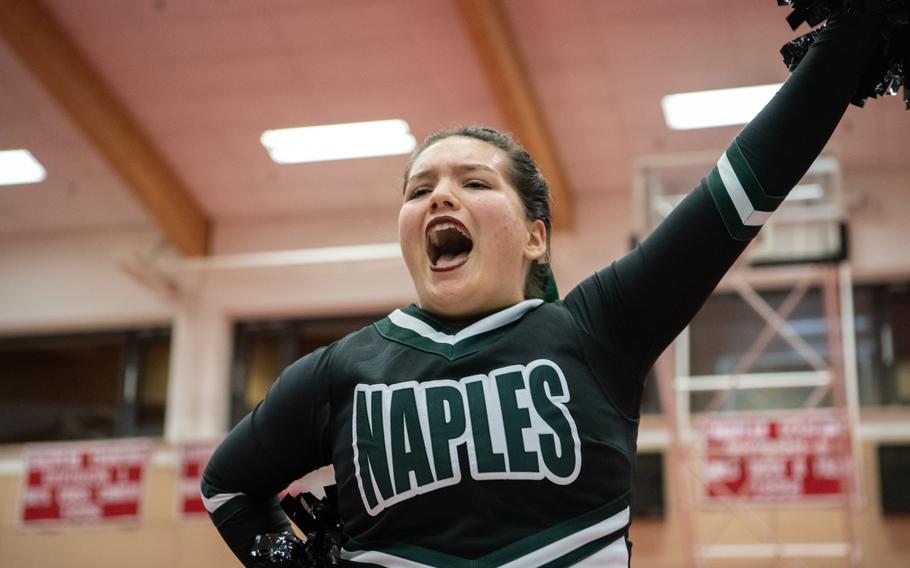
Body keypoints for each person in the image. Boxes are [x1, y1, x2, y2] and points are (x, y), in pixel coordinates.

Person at [202, 11, 886, 567]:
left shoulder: (595, 331)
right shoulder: (339, 371)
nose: (441, 197)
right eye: (420, 189)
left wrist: (852, 37)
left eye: (474, 182)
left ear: (536, 235)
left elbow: (734, 195)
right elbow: (227, 484)